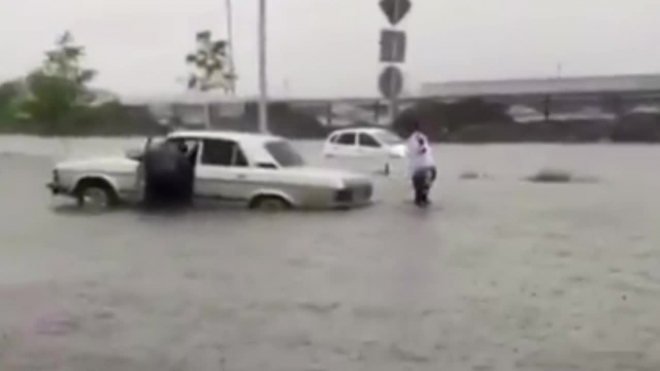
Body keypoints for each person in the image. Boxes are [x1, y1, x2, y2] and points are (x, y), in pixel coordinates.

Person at [406, 121, 436, 206]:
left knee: (429, 180)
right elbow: (419, 151)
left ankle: (423, 197)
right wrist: (421, 146)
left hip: (427, 164)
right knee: (420, 183)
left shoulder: (422, 137)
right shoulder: (413, 140)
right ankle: (419, 200)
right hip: (419, 166)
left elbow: (427, 150)